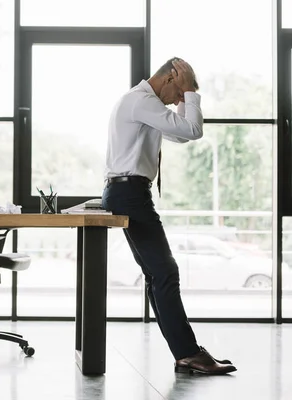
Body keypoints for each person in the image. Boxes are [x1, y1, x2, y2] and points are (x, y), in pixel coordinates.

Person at [101, 57, 237, 375]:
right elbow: (193, 130)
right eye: (179, 92)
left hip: (128, 191)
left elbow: (180, 133)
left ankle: (185, 352)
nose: (180, 100)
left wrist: (186, 92)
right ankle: (188, 352)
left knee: (158, 274)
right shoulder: (141, 101)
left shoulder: (142, 104)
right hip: (131, 193)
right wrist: (189, 91)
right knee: (166, 273)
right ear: (168, 79)